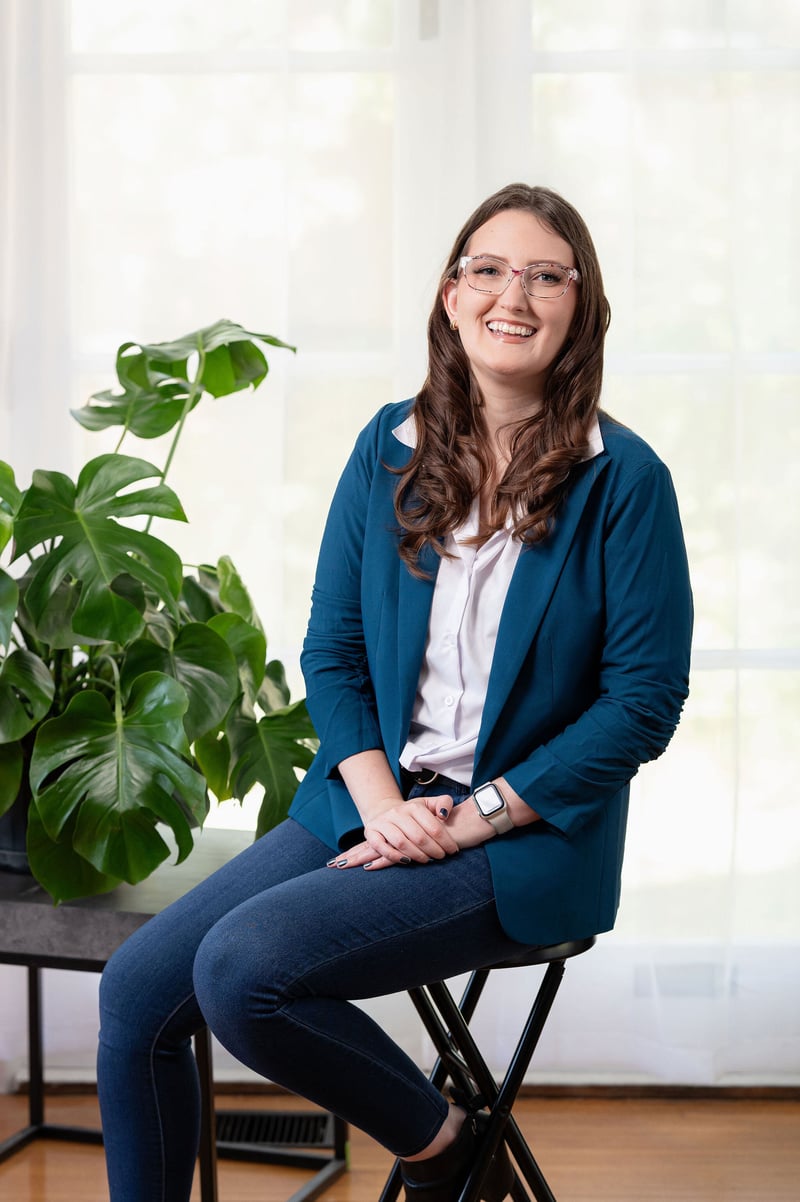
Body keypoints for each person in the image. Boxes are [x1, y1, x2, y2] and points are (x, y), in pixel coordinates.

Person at [97, 182, 693, 1202]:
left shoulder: (623, 481)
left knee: (244, 970)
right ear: (450, 295)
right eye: (490, 268)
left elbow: (639, 703)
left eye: (548, 275)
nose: (516, 293)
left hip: (521, 834)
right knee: (138, 988)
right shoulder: (387, 445)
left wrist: (465, 821)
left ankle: (439, 1143)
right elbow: (330, 647)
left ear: (580, 309)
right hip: (371, 797)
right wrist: (380, 801)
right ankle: (452, 1147)